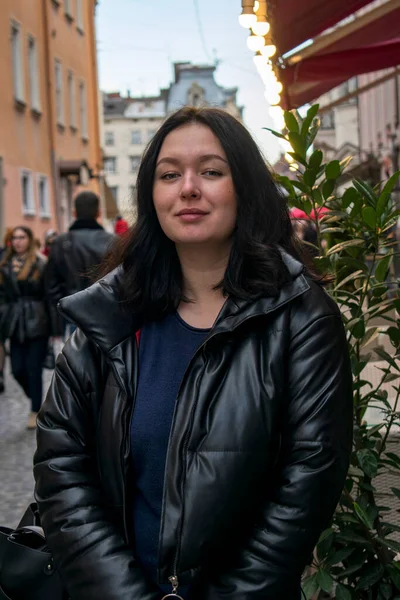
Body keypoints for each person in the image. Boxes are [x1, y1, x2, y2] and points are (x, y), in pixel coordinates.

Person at [34, 107, 353, 600]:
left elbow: (306, 486)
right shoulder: (110, 315)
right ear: (151, 194)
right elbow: (61, 468)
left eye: (210, 171)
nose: (187, 188)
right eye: (169, 174)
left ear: (244, 185)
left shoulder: (302, 318)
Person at [0, 226, 52, 429]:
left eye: (22, 237)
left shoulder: (40, 262)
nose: (18, 241)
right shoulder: (5, 264)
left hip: (37, 320)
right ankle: (40, 402)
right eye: (14, 238)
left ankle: (35, 409)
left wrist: (54, 326)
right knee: (17, 370)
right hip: (14, 321)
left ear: (29, 239)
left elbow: (49, 295)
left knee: (33, 368)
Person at [45, 190, 114, 336]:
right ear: (98, 213)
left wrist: (59, 319)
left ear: (74, 213)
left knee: (74, 358)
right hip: (107, 317)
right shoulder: (114, 242)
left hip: (72, 316)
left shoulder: (59, 243)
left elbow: (51, 287)